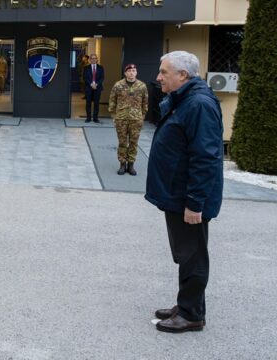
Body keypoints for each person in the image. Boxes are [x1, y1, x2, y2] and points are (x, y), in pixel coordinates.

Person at [146, 50, 224, 333]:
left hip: (188, 198)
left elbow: (205, 157)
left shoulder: (198, 104)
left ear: (183, 75)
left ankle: (191, 315)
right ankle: (188, 303)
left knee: (192, 254)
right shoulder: (186, 100)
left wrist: (195, 203)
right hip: (178, 194)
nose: (158, 77)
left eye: (164, 72)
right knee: (185, 252)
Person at [108, 64, 148, 176]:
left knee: (134, 142)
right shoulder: (118, 85)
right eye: (129, 71)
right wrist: (113, 116)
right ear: (125, 73)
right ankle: (122, 164)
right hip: (121, 118)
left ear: (136, 72)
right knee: (122, 142)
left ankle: (131, 165)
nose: (131, 72)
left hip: (136, 119)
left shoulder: (142, 86)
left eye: (134, 70)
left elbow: (145, 102)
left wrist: (142, 116)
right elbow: (112, 101)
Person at [83, 53, 104, 123]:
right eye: (92, 58)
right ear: (89, 60)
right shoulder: (86, 68)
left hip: (97, 88)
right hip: (89, 87)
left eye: (95, 58)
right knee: (88, 103)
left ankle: (95, 118)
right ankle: (88, 118)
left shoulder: (101, 68)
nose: (93, 59)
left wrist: (96, 84)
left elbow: (102, 78)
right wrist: (91, 84)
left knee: (96, 103)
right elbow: (85, 78)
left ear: (97, 59)